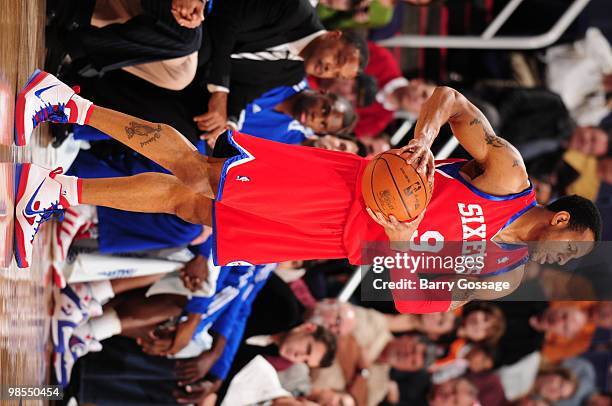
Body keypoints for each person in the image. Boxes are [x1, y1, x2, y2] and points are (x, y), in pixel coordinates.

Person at [16, 70, 602, 315]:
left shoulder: (502, 274)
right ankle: (68, 101)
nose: (566, 258)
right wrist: (423, 141)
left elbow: (416, 302)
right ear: (560, 220)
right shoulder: (509, 179)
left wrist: (398, 242)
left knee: (190, 206)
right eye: (574, 246)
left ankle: (58, 187)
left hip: (334, 238)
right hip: (343, 190)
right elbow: (450, 100)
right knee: (201, 172)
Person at [194, 0, 369, 138]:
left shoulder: (294, 74)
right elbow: (225, 22)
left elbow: (245, 91)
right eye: (338, 59)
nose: (328, 69)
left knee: (197, 133)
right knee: (202, 52)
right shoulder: (295, 9)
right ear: (333, 35)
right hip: (198, 24)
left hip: (196, 80)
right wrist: (220, 90)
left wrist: (228, 124)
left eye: (336, 74)